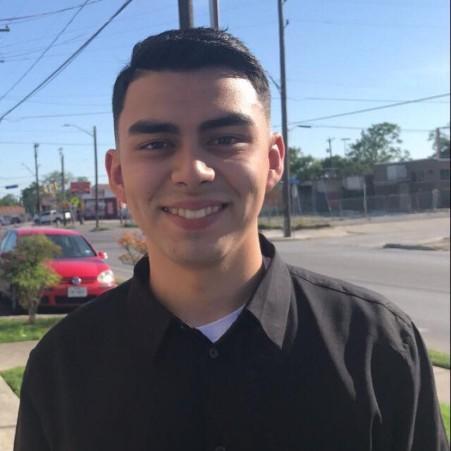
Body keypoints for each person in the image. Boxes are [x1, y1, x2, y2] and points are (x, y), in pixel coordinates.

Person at [14, 28, 448, 451]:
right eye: (156, 144)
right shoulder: (61, 368)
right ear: (117, 175)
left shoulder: (378, 346)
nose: (192, 172)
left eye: (225, 139)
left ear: (273, 160)